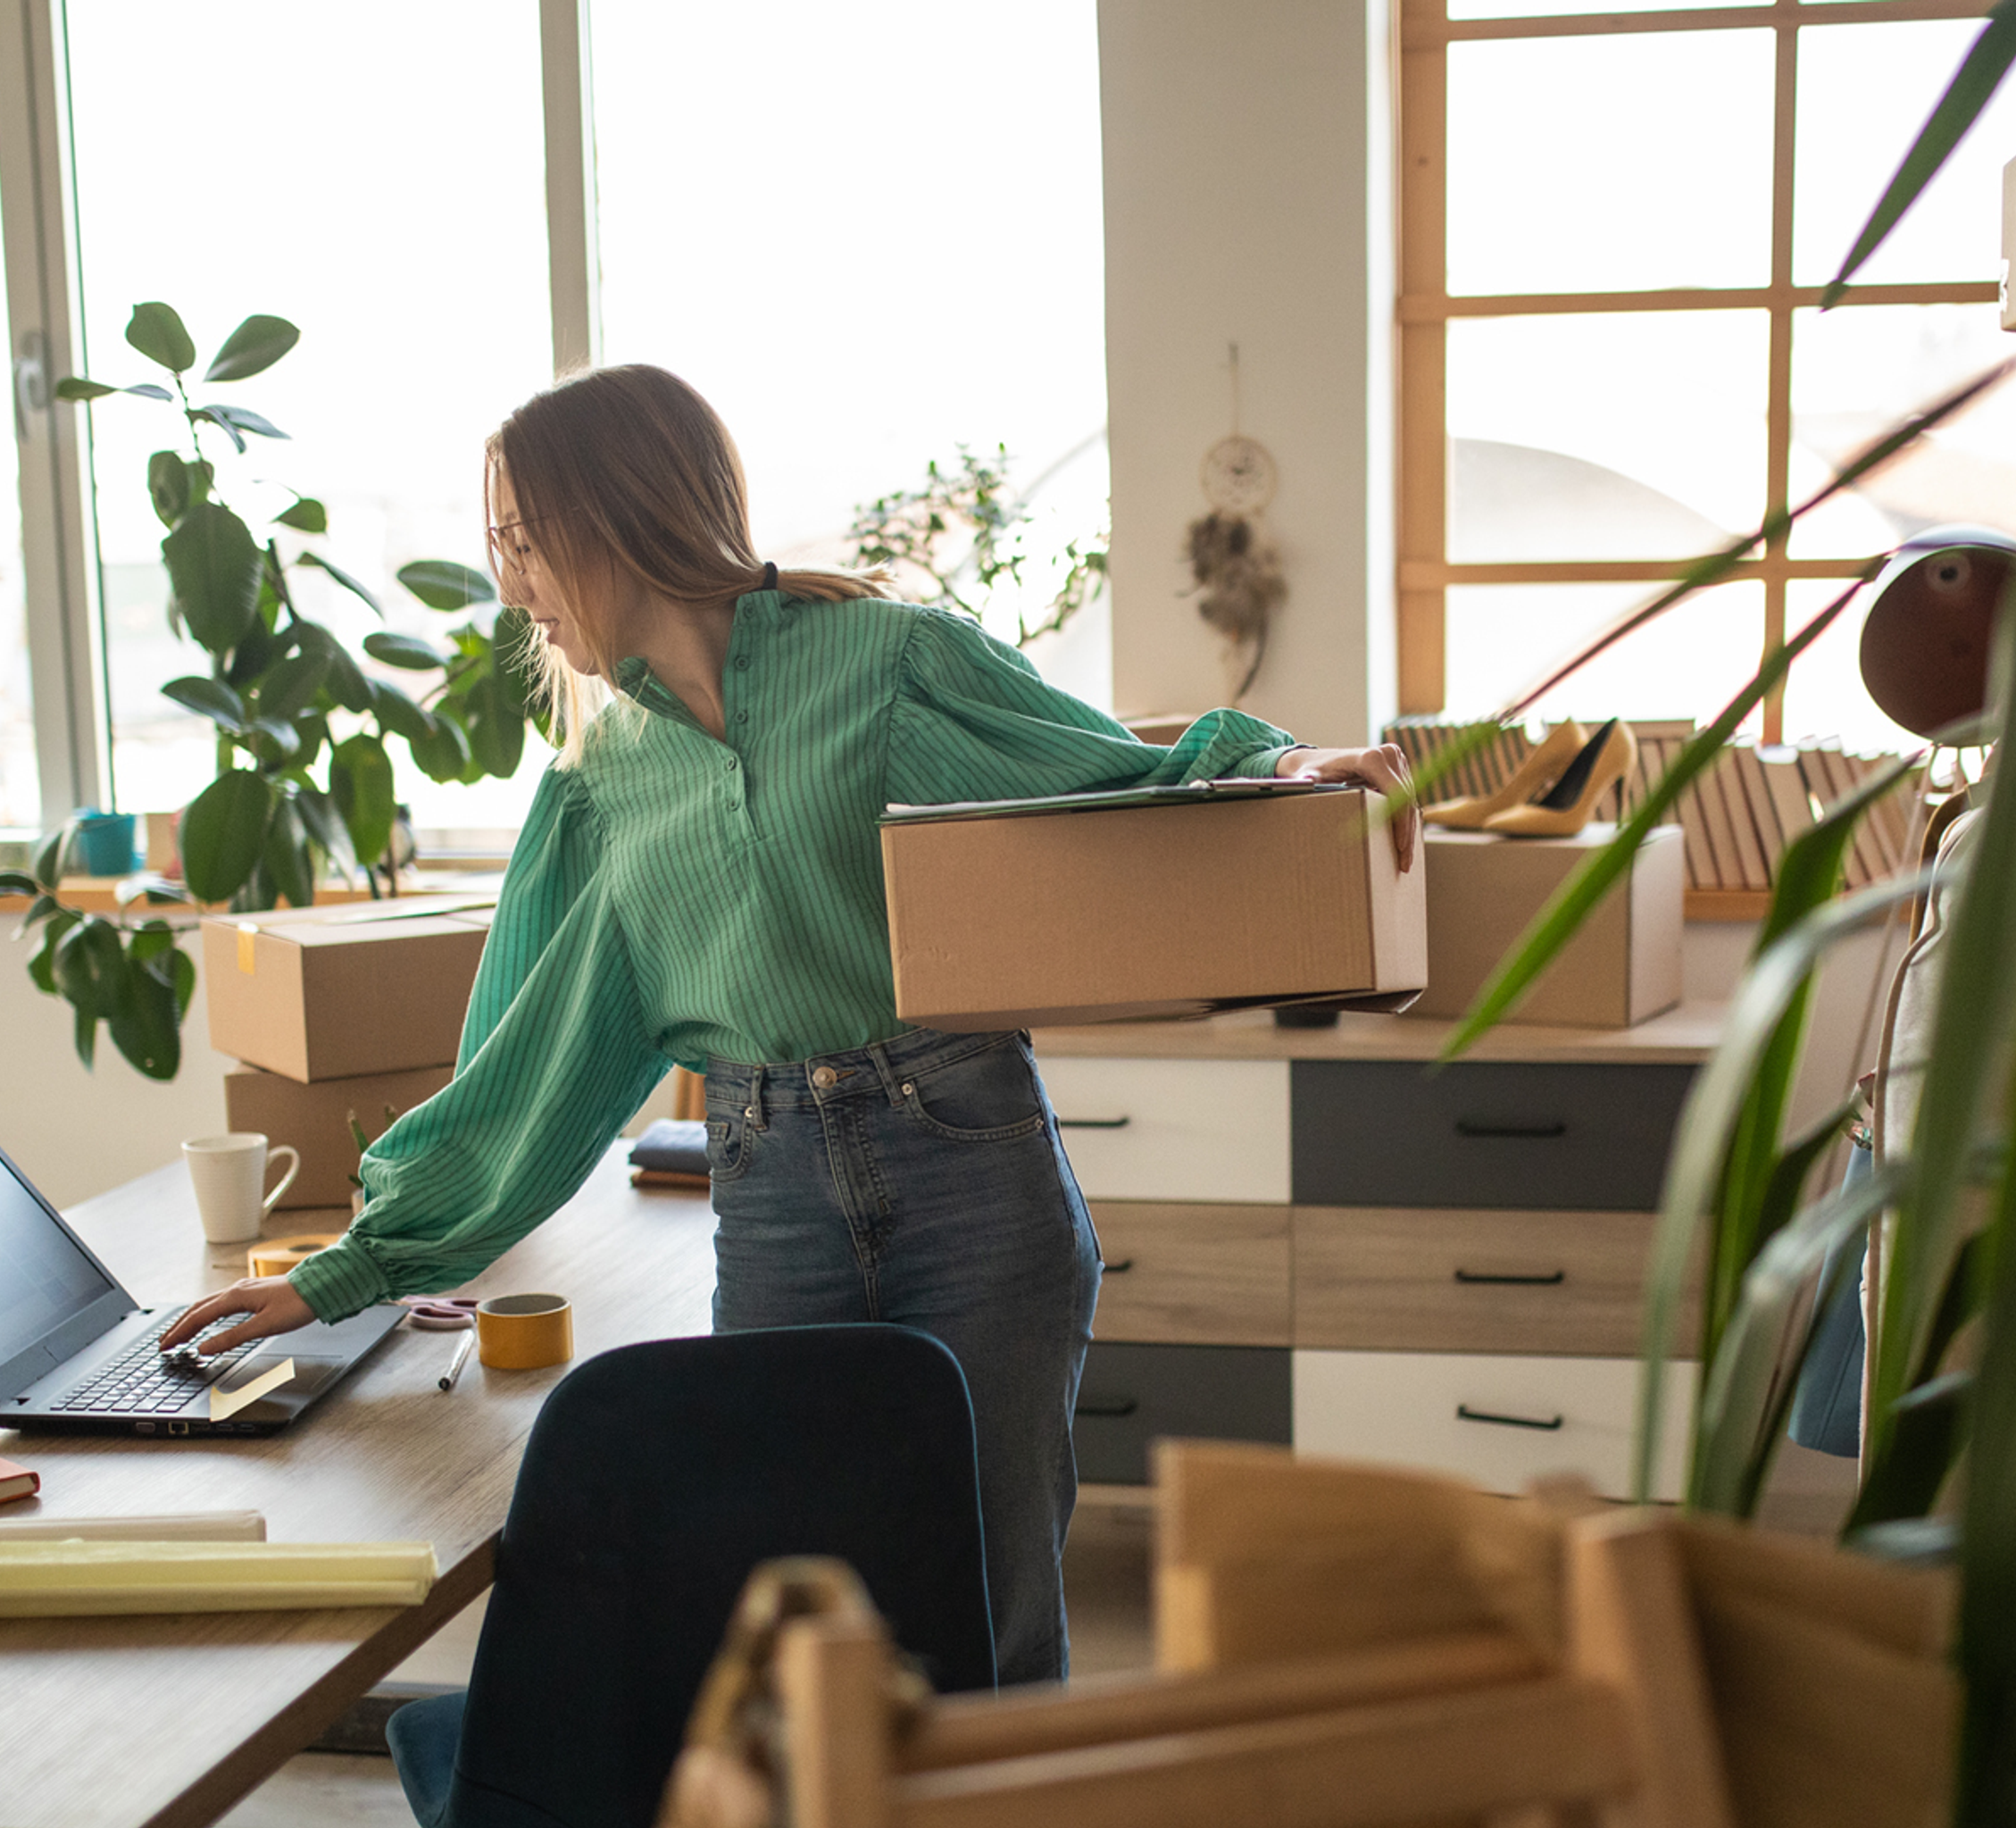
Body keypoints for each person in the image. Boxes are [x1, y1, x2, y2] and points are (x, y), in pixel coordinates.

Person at [160, 363, 1416, 1685]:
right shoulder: (600, 786)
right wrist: (348, 1268)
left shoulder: (886, 662)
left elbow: (1099, 769)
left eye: (524, 544)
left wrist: (1278, 766)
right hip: (773, 1204)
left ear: (616, 514)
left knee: (991, 1616)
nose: (514, 588)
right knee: (802, 1640)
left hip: (971, 1167)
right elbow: (531, 1068)